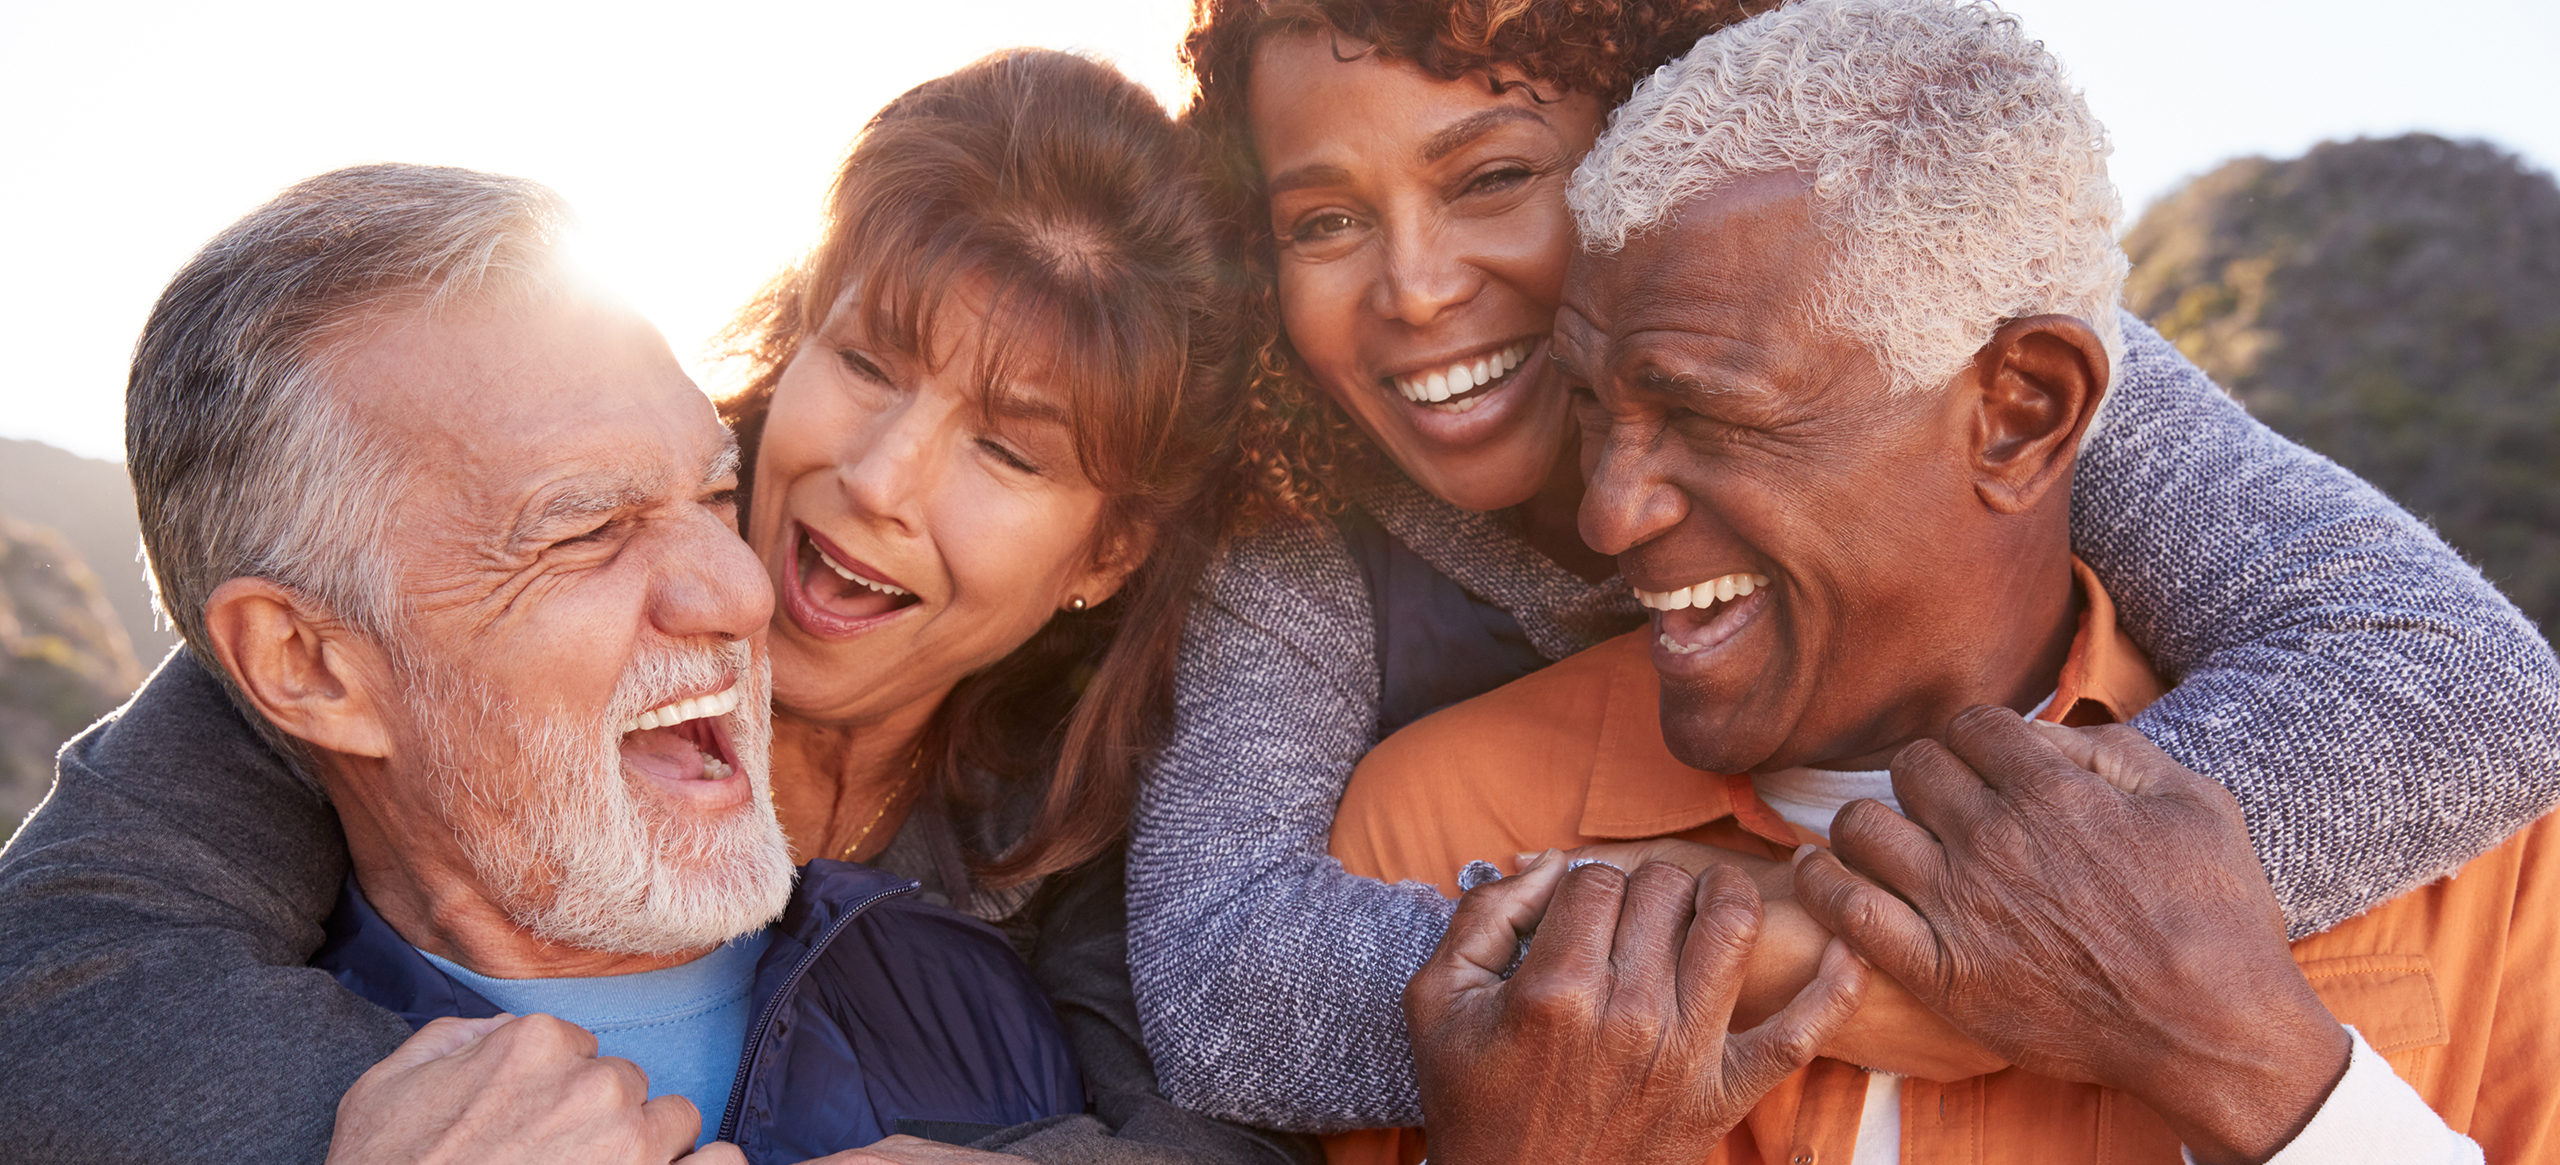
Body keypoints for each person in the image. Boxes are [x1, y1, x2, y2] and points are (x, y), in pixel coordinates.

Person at [1123, 0, 2560, 1132]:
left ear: (1659, 141)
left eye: (1494, 177)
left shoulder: (1946, 332)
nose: (1417, 285)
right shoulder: (1300, 530)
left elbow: (2446, 674)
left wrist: (2061, 932)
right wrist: (1796, 933)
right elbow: (1220, 977)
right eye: (1320, 219)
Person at [0, 53, 1312, 1165]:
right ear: (792, 336)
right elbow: (60, 975)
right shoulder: (433, 586)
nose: (877, 478)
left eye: (1011, 452)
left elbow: (1217, 1112)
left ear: (1112, 545)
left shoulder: (1115, 776)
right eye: (863, 360)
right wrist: (413, 1109)